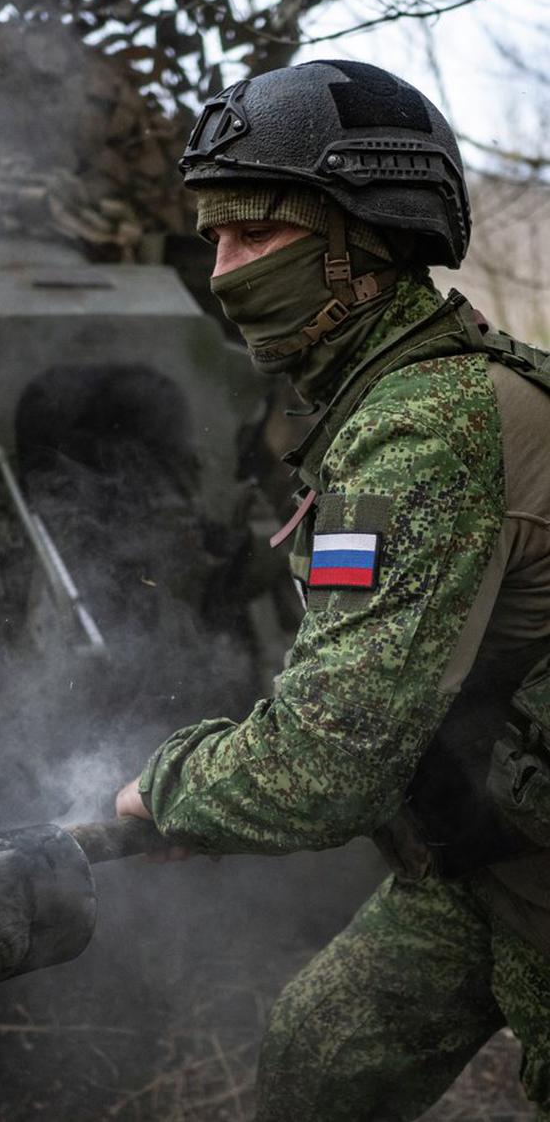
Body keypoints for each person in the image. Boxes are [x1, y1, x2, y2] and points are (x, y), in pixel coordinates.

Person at [116, 59, 550, 1120]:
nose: (223, 271)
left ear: (368, 244)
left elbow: (325, 767)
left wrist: (163, 789)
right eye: (213, 235)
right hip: (480, 852)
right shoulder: (393, 393)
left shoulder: (425, 427)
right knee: (321, 1064)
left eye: (256, 233)